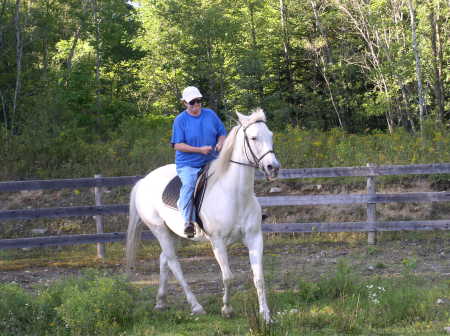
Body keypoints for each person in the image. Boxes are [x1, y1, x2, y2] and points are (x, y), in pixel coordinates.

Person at [171, 86, 227, 238]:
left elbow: (222, 133)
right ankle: (188, 221)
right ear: (184, 103)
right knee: (189, 184)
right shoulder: (180, 120)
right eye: (192, 102)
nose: (196, 105)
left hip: (211, 159)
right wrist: (199, 150)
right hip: (189, 163)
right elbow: (177, 144)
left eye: (198, 101)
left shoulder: (210, 115)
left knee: (232, 177)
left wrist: (221, 143)